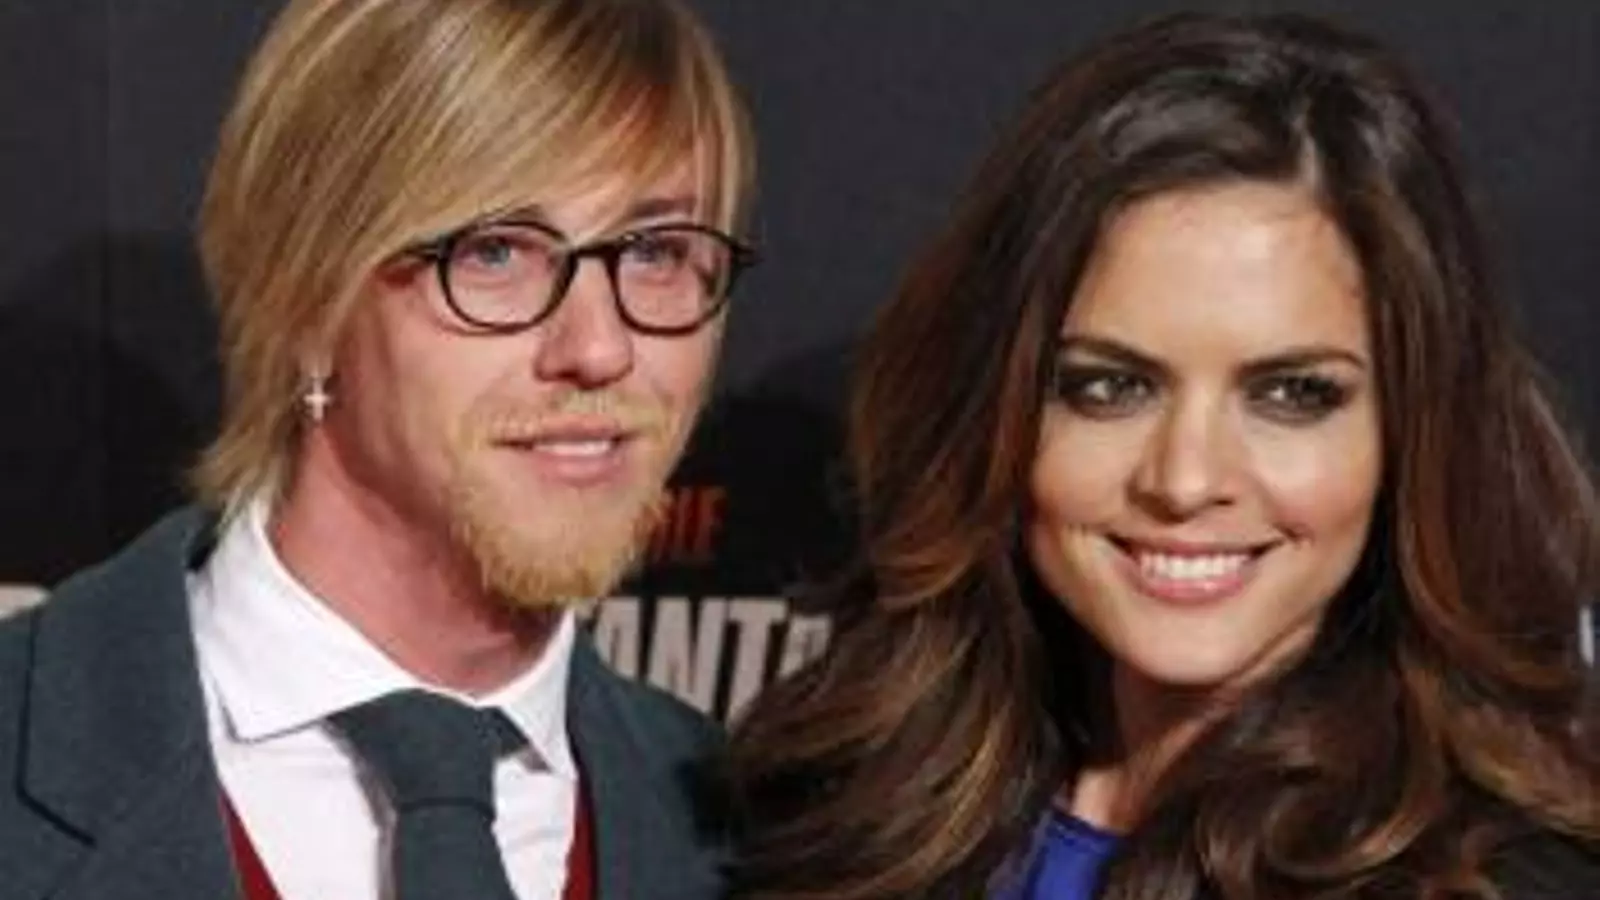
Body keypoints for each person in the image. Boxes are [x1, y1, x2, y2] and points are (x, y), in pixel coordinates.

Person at [730, 12, 1598, 900]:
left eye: (1292, 394)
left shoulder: (1491, 881)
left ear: (1412, 433)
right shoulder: (843, 815)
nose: (1184, 480)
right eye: (1110, 387)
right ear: (997, 406)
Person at [0, 0, 756, 898]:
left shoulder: (755, 837)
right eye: (496, 251)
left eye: (657, 251)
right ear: (305, 300)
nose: (599, 348)